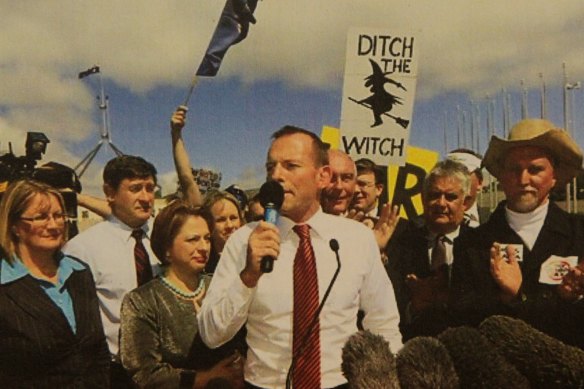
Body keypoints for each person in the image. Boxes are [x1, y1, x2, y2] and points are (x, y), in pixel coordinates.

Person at [198, 126, 401, 388]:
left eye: (290, 166)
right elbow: (211, 334)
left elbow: (383, 323)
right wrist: (248, 277)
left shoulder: (357, 239)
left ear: (322, 176)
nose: (276, 176)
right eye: (271, 168)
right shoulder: (243, 240)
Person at [451, 118, 584, 349]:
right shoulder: (471, 243)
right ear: (501, 176)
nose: (523, 180)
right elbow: (465, 323)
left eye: (535, 169)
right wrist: (507, 298)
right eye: (514, 169)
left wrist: (573, 298)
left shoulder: (580, 234)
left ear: (554, 177)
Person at [120, 200, 245, 388]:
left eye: (207, 238)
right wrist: (205, 377)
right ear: (167, 248)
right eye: (193, 239)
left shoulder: (221, 287)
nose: (204, 247)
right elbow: (144, 373)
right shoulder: (142, 301)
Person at [64, 155, 161, 388]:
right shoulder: (83, 249)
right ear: (110, 192)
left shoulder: (165, 239)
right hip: (114, 374)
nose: (146, 197)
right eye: (136, 189)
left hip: (165, 367)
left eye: (150, 188)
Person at [0, 179, 109, 387]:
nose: (53, 225)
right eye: (41, 217)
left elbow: (98, 349)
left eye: (58, 216)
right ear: (14, 226)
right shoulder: (5, 286)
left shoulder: (79, 272)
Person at [385, 159, 472, 341]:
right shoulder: (400, 243)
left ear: (466, 202)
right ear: (423, 199)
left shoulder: (479, 244)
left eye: (450, 197)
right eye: (434, 195)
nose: (441, 203)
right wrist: (414, 307)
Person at [203, 190, 245, 274]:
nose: (229, 225)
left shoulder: (252, 254)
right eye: (221, 220)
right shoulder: (203, 264)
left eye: (233, 218)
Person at [447, 148, 486, 226]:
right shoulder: (422, 227)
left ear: (479, 182)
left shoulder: (496, 222)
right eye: (450, 175)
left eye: (464, 174)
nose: (456, 181)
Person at [321, 149, 357, 216]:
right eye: (331, 178)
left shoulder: (365, 225)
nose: (339, 186)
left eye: (346, 178)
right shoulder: (300, 223)